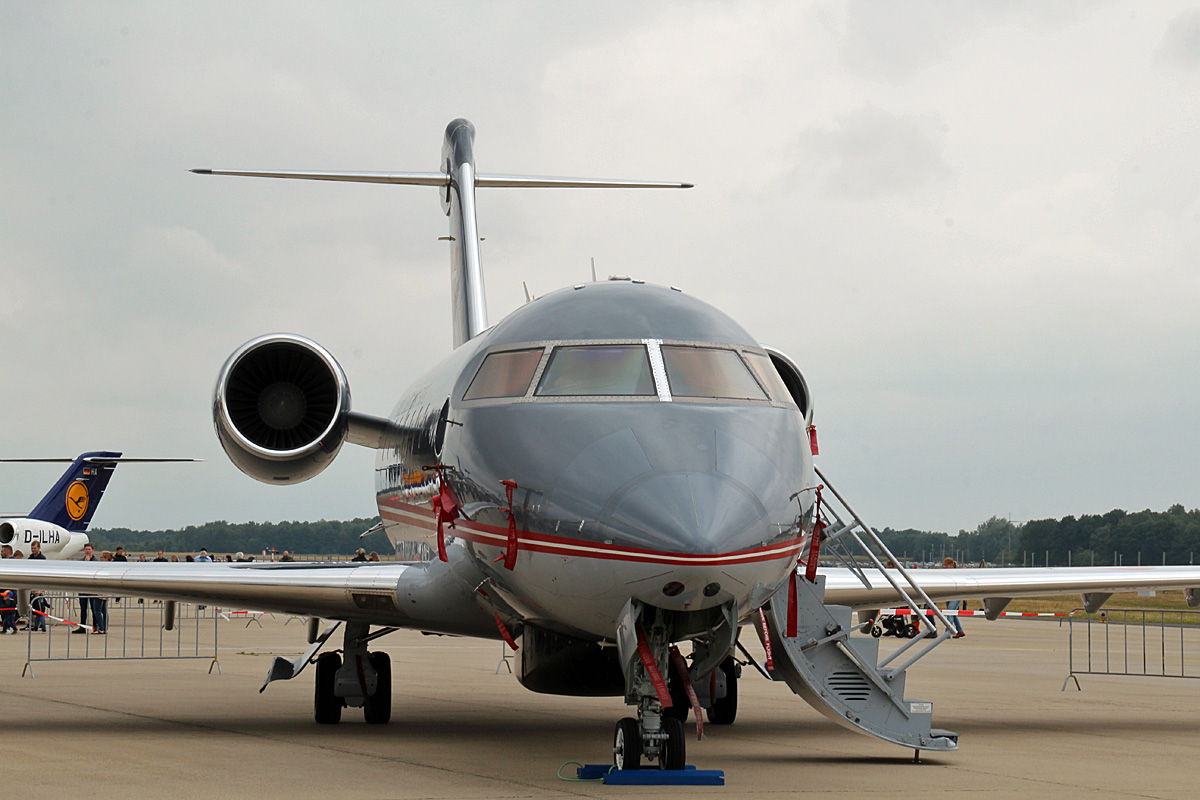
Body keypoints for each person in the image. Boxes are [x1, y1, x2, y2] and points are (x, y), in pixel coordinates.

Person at [74, 543, 97, 632]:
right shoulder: (81, 561)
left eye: (89, 549)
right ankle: (82, 626)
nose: (87, 551)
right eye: (86, 549)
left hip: (92, 589)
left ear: (92, 550)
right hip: (83, 588)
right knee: (83, 609)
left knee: (94, 609)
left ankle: (96, 626)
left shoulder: (95, 561)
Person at [90, 552, 113, 634]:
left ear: (107, 559)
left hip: (100, 591)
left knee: (97, 610)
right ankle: (104, 627)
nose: (101, 559)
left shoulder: (103, 568)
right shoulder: (110, 568)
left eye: (102, 557)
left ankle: (101, 627)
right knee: (104, 610)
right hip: (105, 591)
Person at [943, 557, 965, 638]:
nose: (945, 567)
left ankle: (948, 631)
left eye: (947, 565)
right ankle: (960, 631)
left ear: (951, 565)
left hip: (956, 595)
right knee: (953, 613)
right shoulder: (947, 573)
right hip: (949, 595)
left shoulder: (955, 573)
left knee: (950, 612)